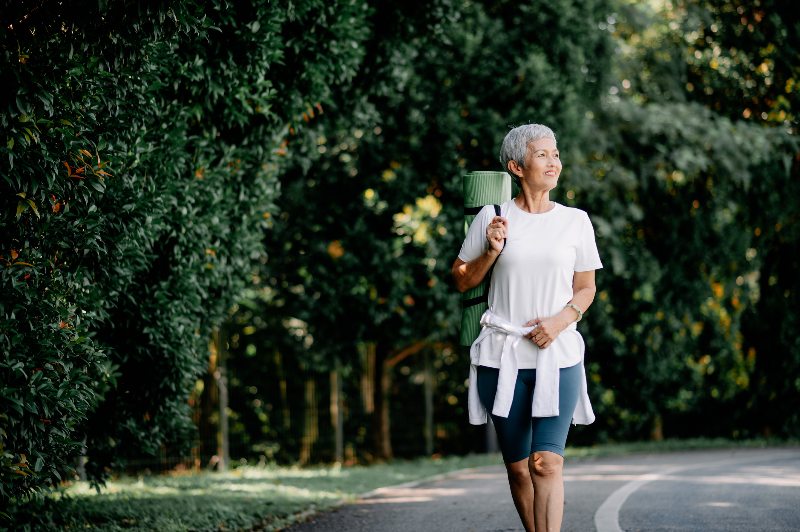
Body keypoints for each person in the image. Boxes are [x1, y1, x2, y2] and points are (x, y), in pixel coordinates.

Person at [451, 123, 602, 531]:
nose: (553, 162)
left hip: (559, 354)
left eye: (556, 154)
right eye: (542, 155)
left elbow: (586, 288)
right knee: (519, 469)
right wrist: (491, 251)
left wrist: (559, 321)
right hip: (501, 357)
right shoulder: (493, 215)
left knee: (546, 463)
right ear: (517, 166)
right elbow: (462, 278)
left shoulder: (576, 221)